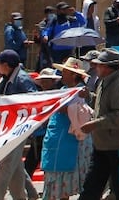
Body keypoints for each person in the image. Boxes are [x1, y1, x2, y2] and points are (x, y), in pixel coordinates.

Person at [78, 48, 119, 200]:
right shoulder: (104, 82)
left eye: (99, 65)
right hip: (102, 146)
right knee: (91, 188)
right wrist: (90, 96)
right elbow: (105, 104)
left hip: (117, 146)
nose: (95, 67)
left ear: (108, 67)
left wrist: (95, 124)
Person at [0, 50, 39, 200]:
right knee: (15, 166)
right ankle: (28, 196)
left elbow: (33, 100)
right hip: (8, 129)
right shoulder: (6, 79)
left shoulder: (22, 80)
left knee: (6, 164)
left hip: (18, 130)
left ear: (6, 65)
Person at [42, 58, 94, 200]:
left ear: (73, 74)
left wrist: (62, 108)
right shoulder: (64, 90)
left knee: (64, 182)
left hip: (71, 141)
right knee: (58, 184)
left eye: (65, 72)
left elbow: (83, 113)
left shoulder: (81, 92)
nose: (62, 74)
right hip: (58, 138)